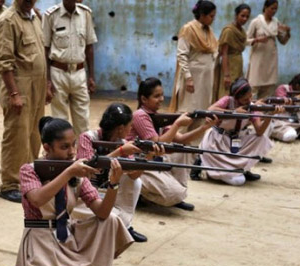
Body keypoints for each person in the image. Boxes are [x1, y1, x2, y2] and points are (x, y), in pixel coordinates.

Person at [15, 117, 133, 266]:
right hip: (40, 244)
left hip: (67, 239)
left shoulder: (76, 171)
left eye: (73, 145)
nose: (71, 152)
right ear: (47, 147)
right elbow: (37, 199)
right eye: (64, 147)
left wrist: (114, 184)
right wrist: (69, 173)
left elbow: (101, 212)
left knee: (112, 220)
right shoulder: (30, 170)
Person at [128, 77, 216, 211]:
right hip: (138, 164)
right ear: (144, 99)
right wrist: (177, 124)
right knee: (175, 193)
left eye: (162, 95)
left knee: (183, 149)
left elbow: (181, 139)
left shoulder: (156, 116)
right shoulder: (140, 115)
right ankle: (139, 193)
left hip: (152, 161)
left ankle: (176, 197)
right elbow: (156, 145)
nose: (162, 99)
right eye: (156, 96)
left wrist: (203, 128)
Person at [76, 103, 154, 243]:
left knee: (136, 182)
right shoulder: (87, 138)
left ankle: (126, 226)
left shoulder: (123, 142)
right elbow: (88, 169)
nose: (131, 129)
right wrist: (120, 151)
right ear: (121, 128)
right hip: (85, 193)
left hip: (106, 189)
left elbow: (133, 175)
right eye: (130, 126)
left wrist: (148, 157)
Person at [0, 0, 47, 203]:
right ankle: (9, 184)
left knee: (35, 133)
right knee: (16, 136)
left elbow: (42, 54)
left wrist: (47, 86)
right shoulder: (8, 20)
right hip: (19, 87)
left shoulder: (35, 17)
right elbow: (4, 61)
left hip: (38, 86)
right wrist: (14, 93)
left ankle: (29, 176)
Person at [200, 78, 280, 186]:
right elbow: (210, 109)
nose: (249, 101)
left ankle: (243, 169)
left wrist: (270, 114)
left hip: (236, 139)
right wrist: (233, 112)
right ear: (236, 98)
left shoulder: (251, 106)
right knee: (239, 181)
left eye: (250, 97)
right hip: (218, 141)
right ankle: (202, 164)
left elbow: (260, 131)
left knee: (261, 139)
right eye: (245, 99)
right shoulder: (228, 100)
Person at [43, 0, 97, 136]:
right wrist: (47, 81)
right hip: (58, 73)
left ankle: (83, 154)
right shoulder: (51, 15)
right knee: (60, 121)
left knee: (83, 121)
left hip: (79, 73)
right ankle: (64, 156)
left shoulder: (85, 14)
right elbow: (45, 49)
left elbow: (89, 47)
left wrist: (91, 76)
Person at [170, 1, 218, 114]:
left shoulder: (209, 31)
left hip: (206, 78)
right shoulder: (188, 29)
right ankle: (180, 132)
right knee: (188, 110)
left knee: (202, 111)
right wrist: (188, 78)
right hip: (193, 77)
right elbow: (182, 55)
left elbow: (214, 49)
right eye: (211, 16)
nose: (213, 19)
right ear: (202, 15)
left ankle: (198, 132)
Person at [246, 0, 291, 99]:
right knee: (253, 86)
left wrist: (287, 33)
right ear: (265, 7)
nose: (274, 11)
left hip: (271, 59)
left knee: (268, 88)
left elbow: (282, 41)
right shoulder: (256, 22)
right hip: (258, 58)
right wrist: (257, 40)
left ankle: (263, 111)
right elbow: (245, 40)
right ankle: (251, 110)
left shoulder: (276, 22)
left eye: (276, 9)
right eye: (272, 8)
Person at [269, 72, 300, 142]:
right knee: (290, 136)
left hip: (293, 118)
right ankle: (274, 131)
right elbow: (283, 102)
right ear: (297, 85)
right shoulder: (282, 88)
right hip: (280, 118)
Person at [214, 4, 251, 99]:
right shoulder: (229, 31)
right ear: (236, 15)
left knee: (237, 90)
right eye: (242, 16)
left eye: (247, 16)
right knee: (227, 90)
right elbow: (224, 53)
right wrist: (226, 75)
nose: (245, 19)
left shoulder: (242, 31)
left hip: (238, 64)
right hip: (229, 64)